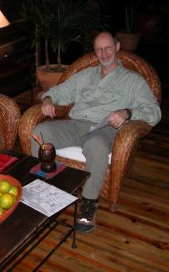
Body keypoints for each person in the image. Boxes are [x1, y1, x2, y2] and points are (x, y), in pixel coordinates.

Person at [31, 31, 161, 233]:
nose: (104, 53)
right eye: (99, 49)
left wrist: (128, 112)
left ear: (117, 47)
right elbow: (60, 92)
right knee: (40, 132)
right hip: (76, 124)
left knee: (96, 145)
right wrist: (48, 99)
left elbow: (154, 112)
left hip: (105, 128)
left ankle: (89, 204)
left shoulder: (133, 81)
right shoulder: (86, 75)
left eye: (108, 47)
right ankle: (44, 188)